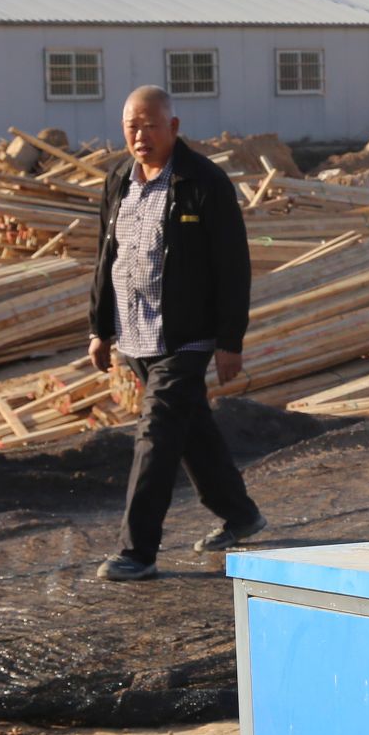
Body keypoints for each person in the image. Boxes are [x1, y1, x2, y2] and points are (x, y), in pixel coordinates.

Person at [88, 85, 267, 582]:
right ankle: (241, 515)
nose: (139, 136)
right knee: (192, 433)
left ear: (174, 127)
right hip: (135, 333)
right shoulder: (119, 180)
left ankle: (137, 551)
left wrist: (230, 340)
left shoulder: (203, 182)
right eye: (131, 126)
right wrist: (100, 329)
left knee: (157, 435)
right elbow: (109, 257)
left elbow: (234, 266)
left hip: (186, 337)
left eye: (149, 125)